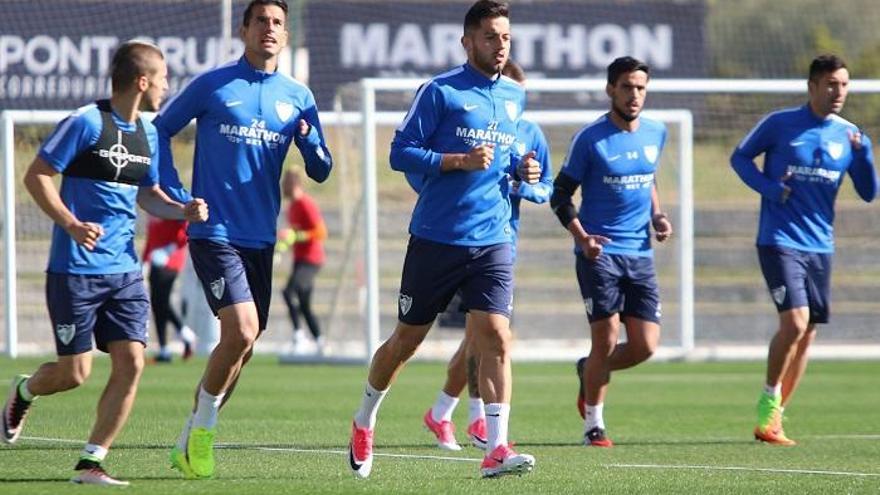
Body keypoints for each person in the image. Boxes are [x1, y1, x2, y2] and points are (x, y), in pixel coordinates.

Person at [0, 40, 208, 486]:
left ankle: (91, 462)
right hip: (75, 269)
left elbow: (148, 195)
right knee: (74, 374)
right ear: (142, 80)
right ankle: (24, 390)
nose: (168, 86)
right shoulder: (84, 123)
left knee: (132, 362)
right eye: (164, 77)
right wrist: (72, 223)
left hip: (125, 272)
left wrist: (182, 210)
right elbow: (35, 175)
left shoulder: (149, 133)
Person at [347, 0, 540, 479]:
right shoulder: (439, 92)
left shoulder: (515, 97)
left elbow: (506, 158)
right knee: (406, 341)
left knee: (496, 336)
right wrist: (456, 160)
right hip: (436, 237)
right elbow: (399, 153)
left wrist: (522, 169)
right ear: (468, 41)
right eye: (491, 37)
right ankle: (365, 417)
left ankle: (495, 447)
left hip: (493, 238)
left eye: (506, 38)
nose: (500, 46)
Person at [153, 0, 332, 480]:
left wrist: (311, 141)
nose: (269, 29)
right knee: (242, 332)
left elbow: (321, 168)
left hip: (261, 238)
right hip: (214, 231)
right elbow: (159, 131)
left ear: (286, 35)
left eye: (277, 23)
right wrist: (177, 193)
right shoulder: (214, 85)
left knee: (243, 348)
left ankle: (189, 437)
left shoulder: (297, 95)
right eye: (260, 22)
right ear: (244, 29)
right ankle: (204, 438)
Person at [730, 54, 877, 446]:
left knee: (808, 333)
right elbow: (739, 157)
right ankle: (767, 401)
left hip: (821, 246)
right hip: (778, 239)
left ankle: (774, 418)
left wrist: (863, 156)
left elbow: (868, 192)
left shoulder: (850, 136)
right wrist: (769, 189)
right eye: (830, 84)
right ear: (812, 86)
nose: (838, 92)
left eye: (844, 85)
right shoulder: (780, 125)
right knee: (794, 323)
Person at [415, 60, 554, 452]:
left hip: (502, 243)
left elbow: (547, 187)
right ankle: (473, 418)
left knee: (485, 335)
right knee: (485, 335)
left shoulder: (529, 134)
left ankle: (445, 412)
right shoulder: (464, 124)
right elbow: (419, 173)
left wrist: (522, 185)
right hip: (458, 239)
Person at [550, 56, 673, 448]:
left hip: (640, 254)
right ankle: (594, 425)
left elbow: (648, 176)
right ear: (610, 90)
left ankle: (589, 370)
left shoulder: (656, 132)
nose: (634, 95)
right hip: (598, 254)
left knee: (645, 346)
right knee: (605, 339)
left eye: (640, 87)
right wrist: (582, 237)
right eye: (626, 87)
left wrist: (657, 214)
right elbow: (560, 195)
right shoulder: (590, 139)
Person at [277, 166, 328, 354]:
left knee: (289, 291)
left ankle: (299, 336)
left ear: (294, 183)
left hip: (311, 259)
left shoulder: (306, 203)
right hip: (299, 259)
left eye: (287, 182)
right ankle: (320, 342)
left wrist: (296, 236)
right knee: (304, 302)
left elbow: (321, 232)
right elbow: (293, 234)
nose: (284, 186)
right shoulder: (292, 207)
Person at [143, 216, 196, 362]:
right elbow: (151, 240)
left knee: (162, 303)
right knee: (157, 305)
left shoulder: (171, 208)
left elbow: (186, 231)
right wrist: (144, 261)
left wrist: (169, 250)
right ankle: (164, 349)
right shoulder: (153, 210)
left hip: (170, 261)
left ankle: (184, 334)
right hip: (155, 262)